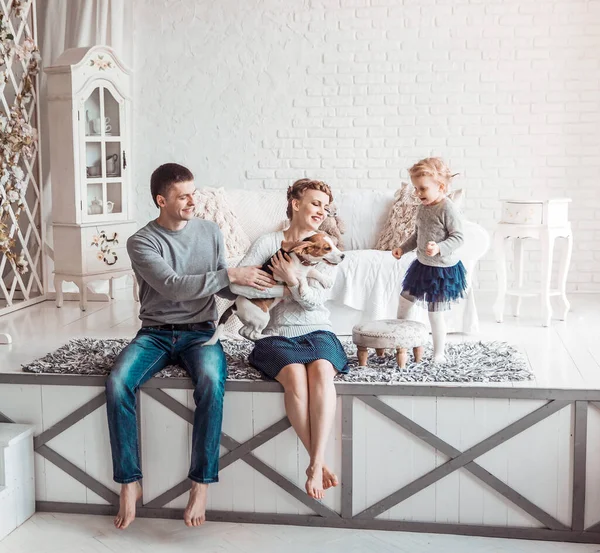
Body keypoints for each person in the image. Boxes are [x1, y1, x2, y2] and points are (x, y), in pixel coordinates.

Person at [105, 163, 275, 530]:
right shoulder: (142, 242)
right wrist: (230, 274)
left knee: (213, 383)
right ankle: (129, 482)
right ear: (160, 200)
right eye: (183, 196)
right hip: (155, 332)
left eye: (193, 193)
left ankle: (200, 483)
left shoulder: (209, 231)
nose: (192, 201)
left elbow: (220, 285)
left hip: (201, 331)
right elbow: (173, 285)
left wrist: (260, 283)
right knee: (118, 382)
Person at [230, 178, 349, 500]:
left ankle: (315, 461)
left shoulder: (329, 247)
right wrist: (286, 287)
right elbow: (238, 286)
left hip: (317, 329)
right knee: (296, 377)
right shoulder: (269, 243)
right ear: (296, 204)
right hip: (277, 334)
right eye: (315, 203)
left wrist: (294, 280)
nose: (321, 211)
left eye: (325, 206)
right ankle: (319, 462)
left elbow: (316, 302)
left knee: (322, 371)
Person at [392, 157, 467, 363]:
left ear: (440, 187)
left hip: (442, 271)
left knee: (435, 313)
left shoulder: (447, 208)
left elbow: (459, 237)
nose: (418, 194)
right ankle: (400, 342)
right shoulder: (423, 207)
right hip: (422, 267)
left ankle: (438, 353)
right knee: (404, 301)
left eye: (422, 189)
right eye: (416, 189)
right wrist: (402, 248)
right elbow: (417, 235)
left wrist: (439, 248)